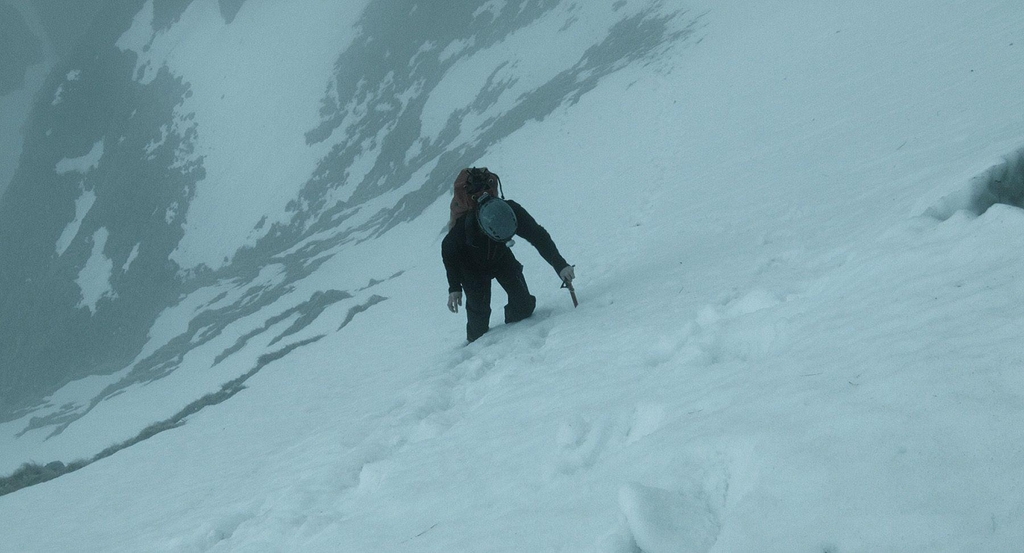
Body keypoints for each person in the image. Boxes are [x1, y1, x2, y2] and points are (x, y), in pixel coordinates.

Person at [442, 168, 574, 342]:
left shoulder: (509, 211)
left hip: (501, 258)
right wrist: (455, 288)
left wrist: (560, 265)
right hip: (471, 269)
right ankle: (475, 344)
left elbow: (537, 235)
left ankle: (510, 331)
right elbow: (449, 252)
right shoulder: (465, 226)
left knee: (524, 306)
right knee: (478, 325)